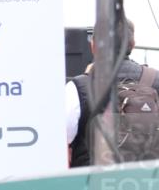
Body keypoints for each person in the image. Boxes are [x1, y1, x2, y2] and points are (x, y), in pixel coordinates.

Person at [66, 19, 159, 166]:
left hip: (93, 184)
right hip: (148, 182)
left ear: (93, 46)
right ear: (132, 45)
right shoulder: (155, 80)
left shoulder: (78, 87)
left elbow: (61, 138)